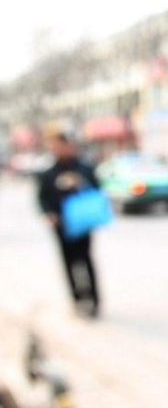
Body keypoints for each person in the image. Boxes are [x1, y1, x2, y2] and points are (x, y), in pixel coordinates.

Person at [37, 133, 101, 317]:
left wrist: (81, 183)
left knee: (86, 260)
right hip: (61, 225)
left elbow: (97, 189)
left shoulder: (84, 169)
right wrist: (49, 214)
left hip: (82, 223)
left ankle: (94, 299)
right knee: (68, 262)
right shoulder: (49, 173)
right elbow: (42, 198)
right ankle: (77, 299)